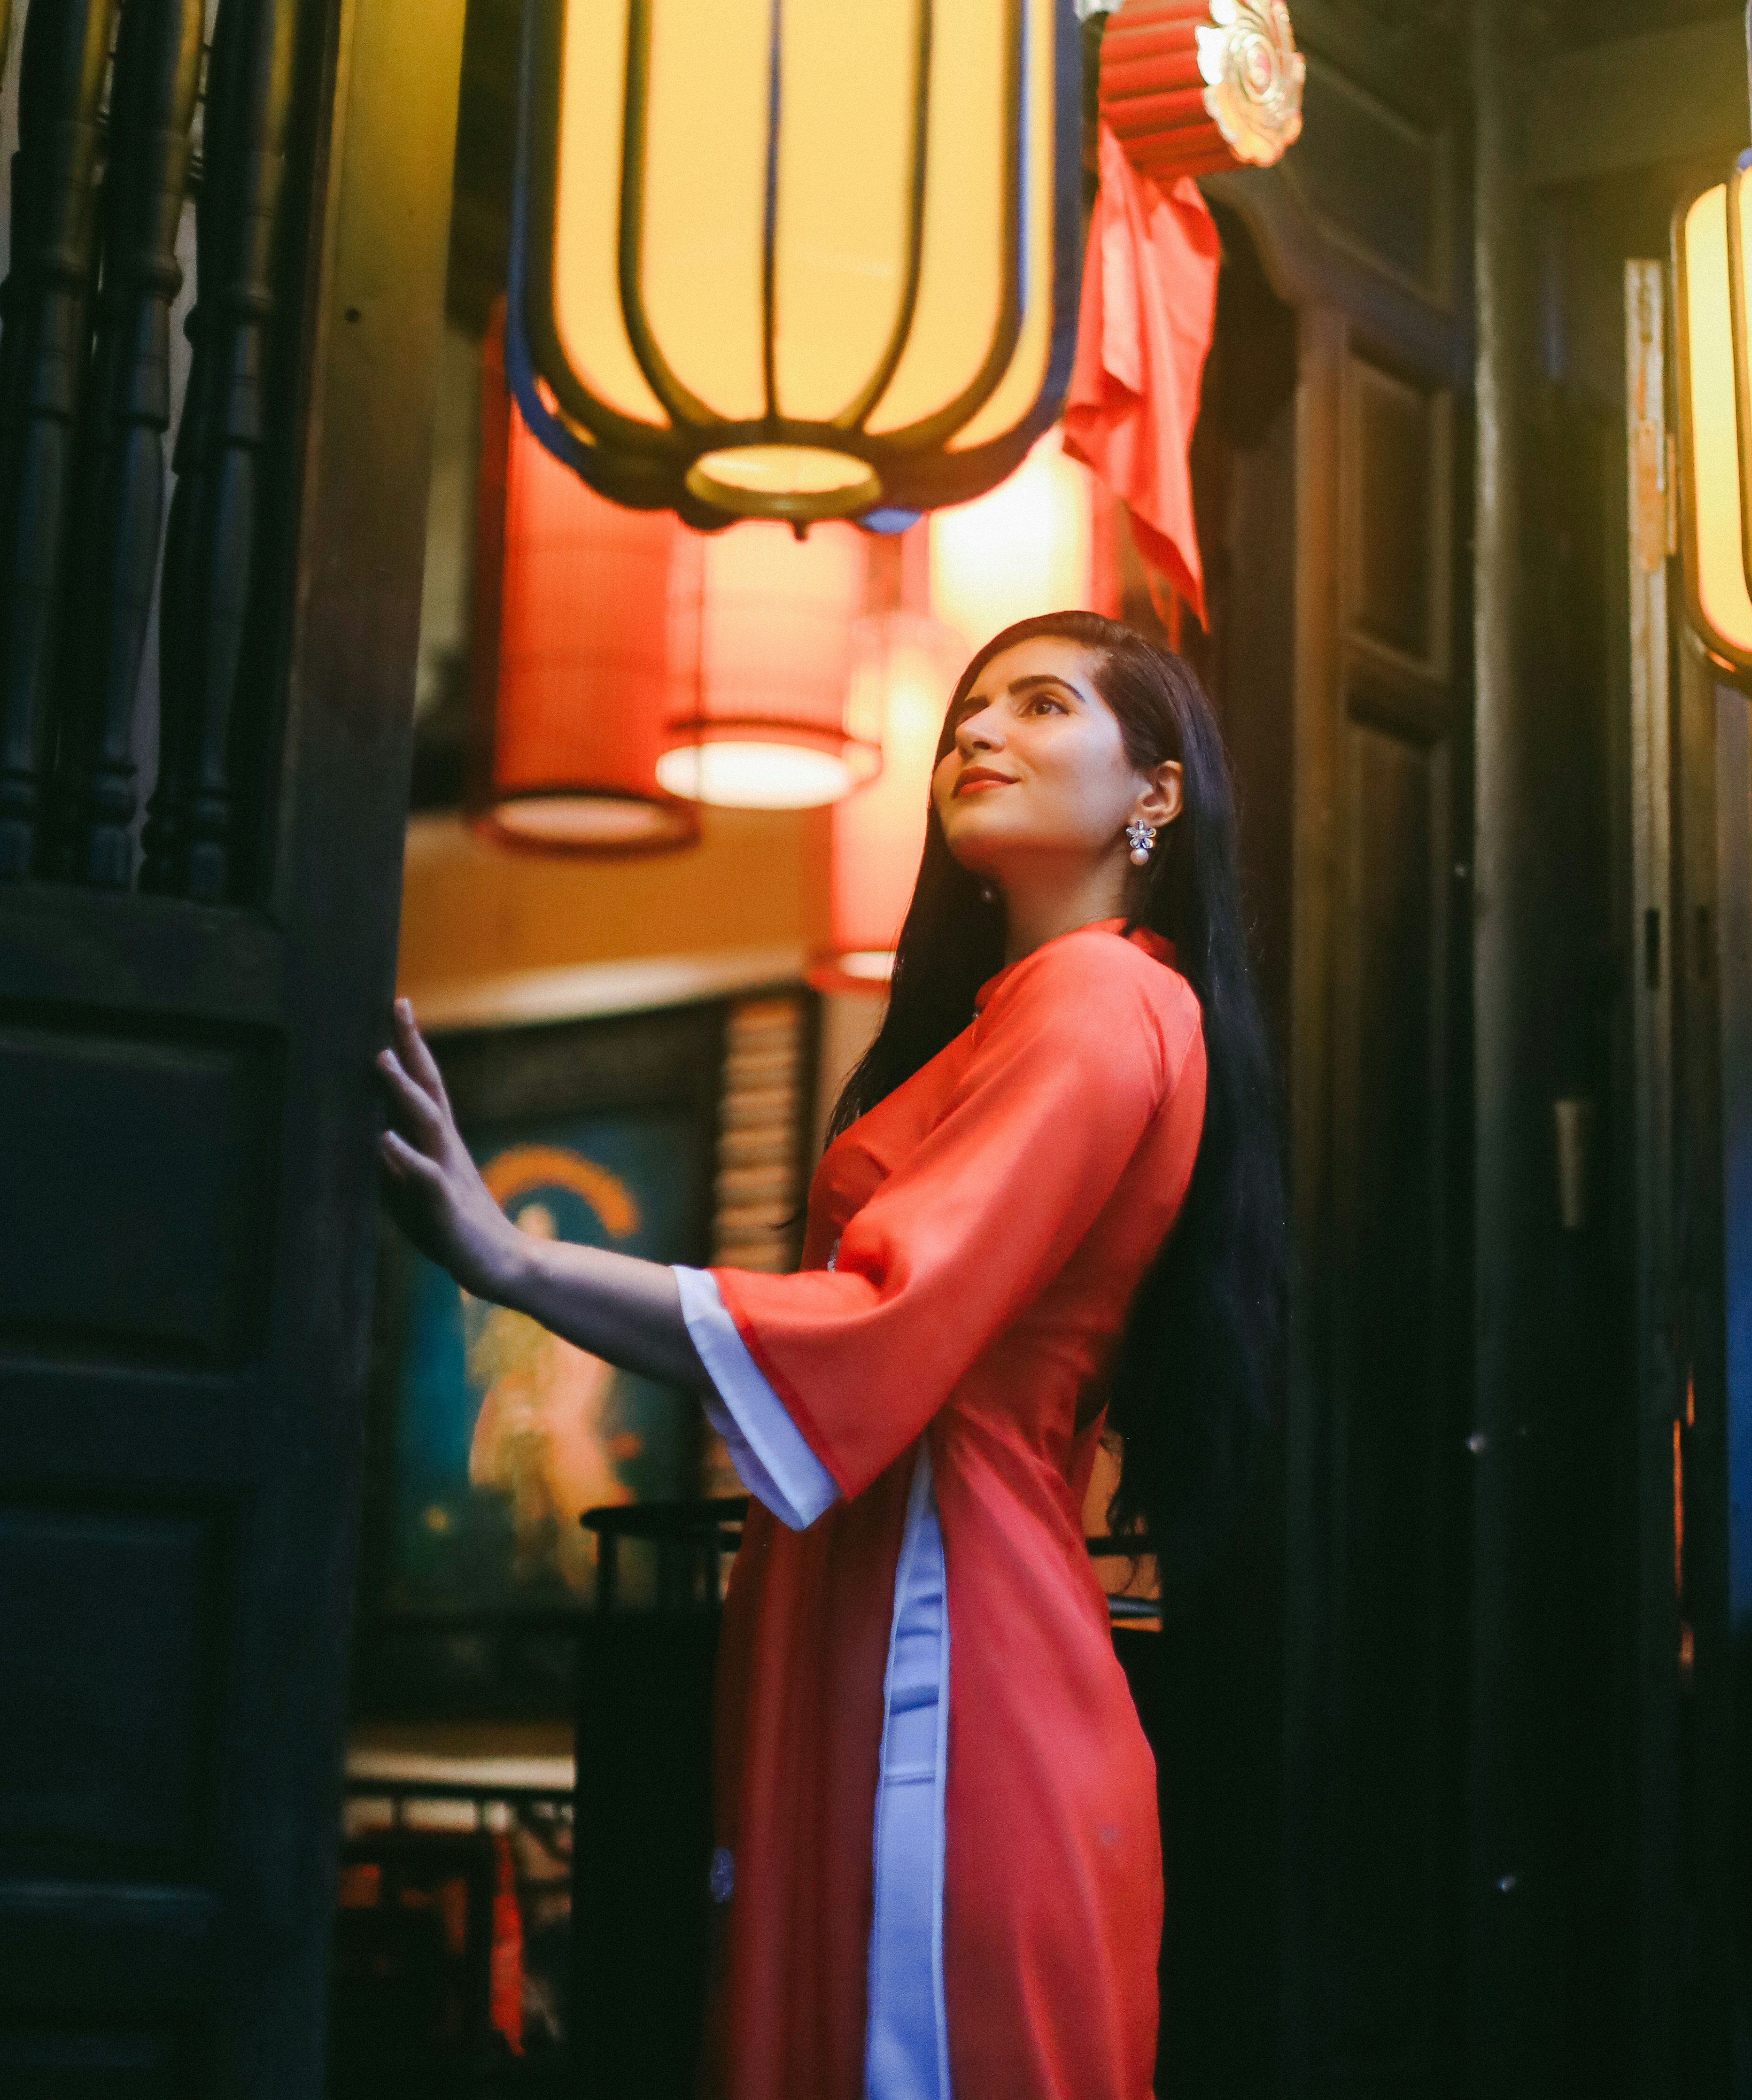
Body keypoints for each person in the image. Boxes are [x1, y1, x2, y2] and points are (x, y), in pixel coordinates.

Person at [377, 609, 1286, 2100]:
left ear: (1157, 792)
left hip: (951, 1634)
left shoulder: (1105, 993)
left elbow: (881, 1320)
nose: (978, 731)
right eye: (970, 710)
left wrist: (515, 1261)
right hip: (928, 1599)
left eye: (1040, 704)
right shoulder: (1033, 1012)